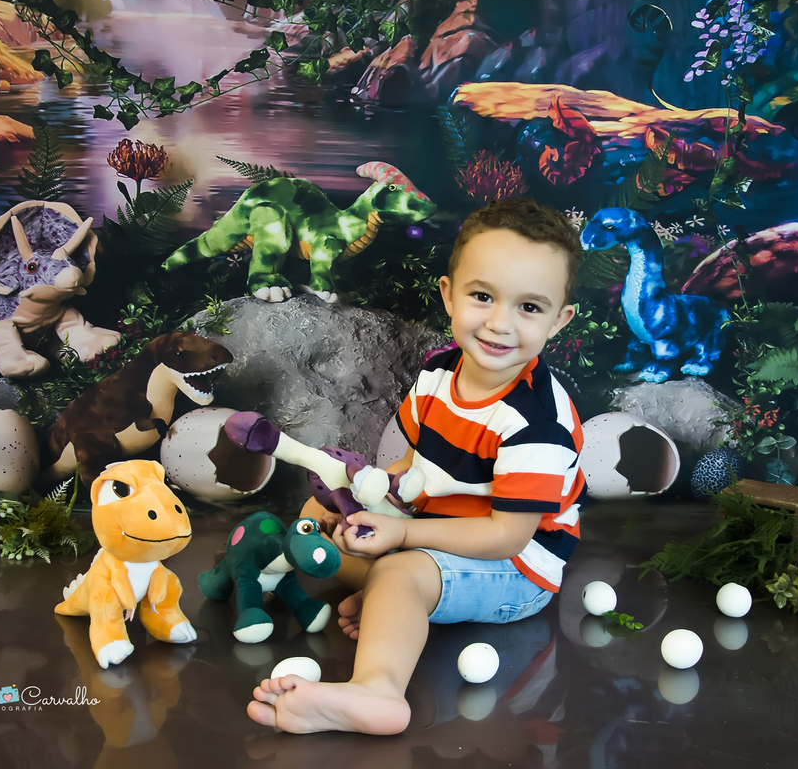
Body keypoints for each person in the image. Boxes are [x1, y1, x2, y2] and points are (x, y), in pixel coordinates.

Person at [247, 196, 587, 735]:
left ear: (559, 320)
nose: (500, 323)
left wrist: (401, 539)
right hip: (443, 532)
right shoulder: (439, 372)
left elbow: (507, 538)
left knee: (400, 569)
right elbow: (414, 462)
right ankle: (376, 600)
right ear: (450, 296)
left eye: (529, 307)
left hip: (516, 571)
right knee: (335, 529)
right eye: (482, 296)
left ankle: (378, 691)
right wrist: (369, 495)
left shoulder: (537, 421)